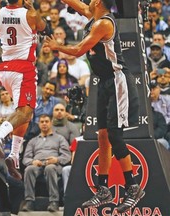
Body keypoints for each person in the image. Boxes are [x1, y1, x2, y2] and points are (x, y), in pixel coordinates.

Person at [44, 0, 145, 213]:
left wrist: (57, 46)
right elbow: (76, 4)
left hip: (118, 81)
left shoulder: (104, 24)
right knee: (102, 136)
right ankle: (103, 188)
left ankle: (132, 186)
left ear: (98, 2)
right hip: (104, 82)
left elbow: (79, 49)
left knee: (115, 136)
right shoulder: (94, 14)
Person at [0, 0, 47, 180]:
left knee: (24, 112)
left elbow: (2, 15)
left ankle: (14, 155)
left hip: (5, 70)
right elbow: (43, 27)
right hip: (23, 68)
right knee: (25, 112)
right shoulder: (31, 14)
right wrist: (32, 7)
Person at [21, 114, 71, 212]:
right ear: (39, 124)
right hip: (37, 165)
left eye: (46, 121)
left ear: (51, 123)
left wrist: (56, 160)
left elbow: (67, 156)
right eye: (42, 122)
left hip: (54, 165)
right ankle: (29, 201)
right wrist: (33, 161)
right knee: (29, 169)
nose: (44, 124)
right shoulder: (33, 141)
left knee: (50, 168)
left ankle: (54, 202)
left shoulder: (59, 138)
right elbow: (25, 158)